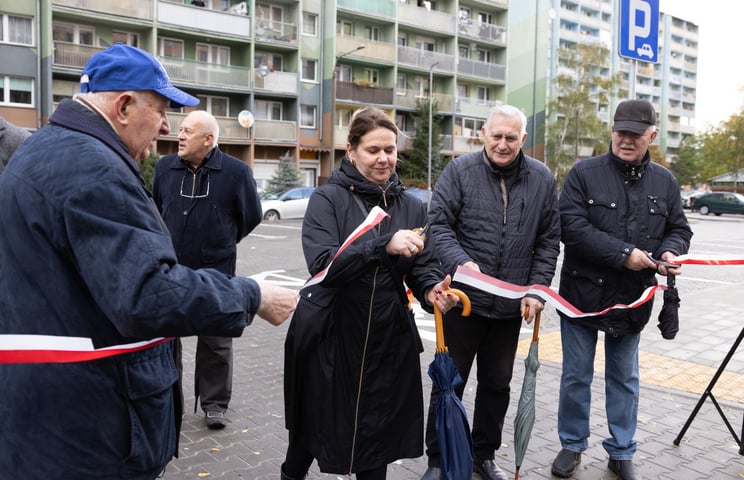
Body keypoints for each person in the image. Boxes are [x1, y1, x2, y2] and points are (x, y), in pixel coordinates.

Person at [0, 43, 297, 479]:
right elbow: (148, 294)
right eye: (160, 109)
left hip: (53, 416)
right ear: (123, 106)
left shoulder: (45, 149)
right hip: (91, 433)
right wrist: (251, 295)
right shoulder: (92, 167)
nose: (165, 125)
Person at [281, 107, 461, 480]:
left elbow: (423, 265)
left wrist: (431, 292)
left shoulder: (410, 204)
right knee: (311, 432)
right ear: (351, 150)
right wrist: (383, 245)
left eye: (390, 150)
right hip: (329, 334)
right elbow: (324, 265)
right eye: (373, 150)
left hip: (385, 337)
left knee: (375, 436)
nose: (384, 159)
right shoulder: (326, 199)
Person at [550, 99, 692, 480]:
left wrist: (670, 249)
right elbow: (571, 226)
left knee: (624, 379)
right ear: (611, 131)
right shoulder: (584, 174)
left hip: (632, 298)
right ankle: (572, 444)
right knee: (576, 375)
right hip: (581, 296)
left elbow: (679, 229)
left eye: (635, 134)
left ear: (652, 136)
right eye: (620, 132)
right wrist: (623, 254)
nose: (626, 140)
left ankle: (621, 450)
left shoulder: (665, 181)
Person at [422, 104, 562, 480]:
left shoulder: (542, 179)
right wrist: (460, 263)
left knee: (497, 385)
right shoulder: (459, 171)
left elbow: (549, 241)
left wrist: (536, 290)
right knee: (448, 382)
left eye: (511, 138)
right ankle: (438, 458)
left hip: (510, 308)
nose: (502, 144)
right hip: (462, 302)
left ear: (523, 139)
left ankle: (484, 455)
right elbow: (438, 225)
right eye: (496, 136)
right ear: (483, 133)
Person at [152, 110, 263, 430]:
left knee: (216, 338)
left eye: (188, 131)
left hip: (217, 268)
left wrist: (222, 239)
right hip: (170, 266)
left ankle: (215, 404)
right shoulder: (164, 168)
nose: (180, 136)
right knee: (165, 337)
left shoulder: (236, 172)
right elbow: (156, 210)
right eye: (180, 130)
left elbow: (250, 216)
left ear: (208, 140)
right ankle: (167, 401)